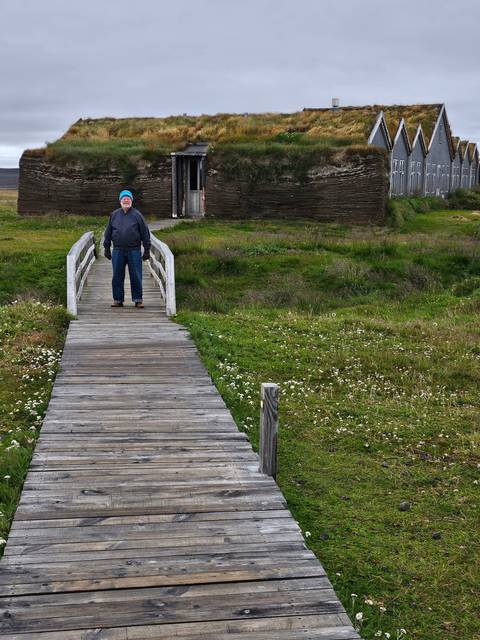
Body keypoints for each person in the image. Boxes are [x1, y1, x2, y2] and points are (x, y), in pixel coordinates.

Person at [103, 190, 151, 308]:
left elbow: (145, 233)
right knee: (117, 276)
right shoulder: (114, 215)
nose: (126, 200)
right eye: (123, 198)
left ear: (131, 200)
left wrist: (147, 249)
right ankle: (118, 300)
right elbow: (108, 232)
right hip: (118, 250)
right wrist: (107, 248)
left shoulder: (137, 215)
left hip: (134, 250)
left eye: (128, 198)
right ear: (120, 201)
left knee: (136, 275)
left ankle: (138, 299)